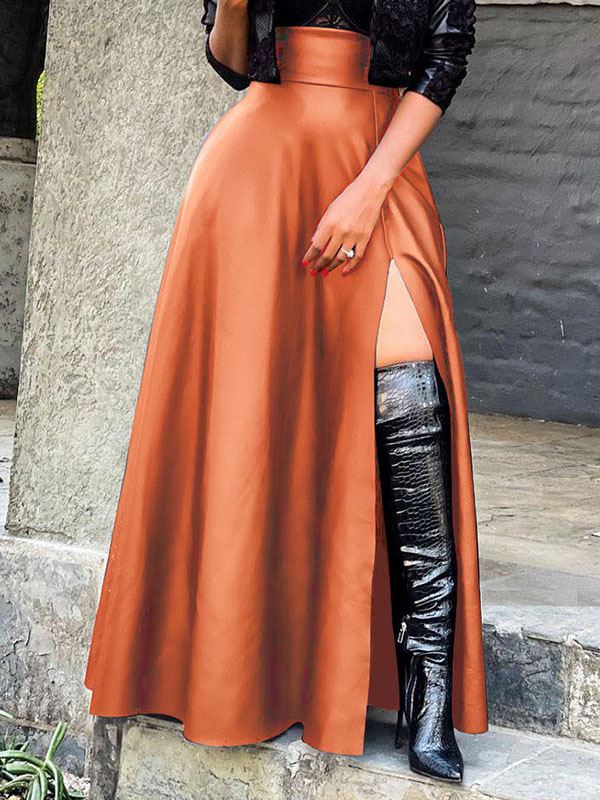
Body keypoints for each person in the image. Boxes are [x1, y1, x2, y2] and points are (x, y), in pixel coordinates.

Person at [85, 0, 489, 784]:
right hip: (258, 170)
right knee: (251, 419)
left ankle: (429, 683)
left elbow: (447, 58)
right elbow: (234, 60)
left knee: (412, 388)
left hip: (379, 160)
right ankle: (239, 664)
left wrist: (370, 188)